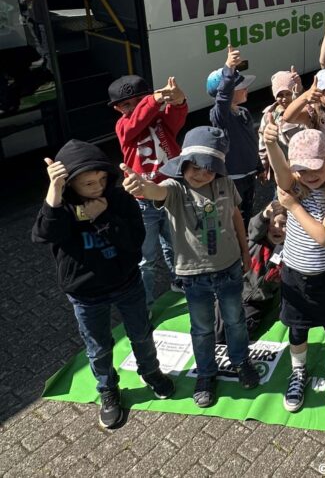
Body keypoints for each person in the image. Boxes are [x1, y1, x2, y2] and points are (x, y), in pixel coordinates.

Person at [32, 139, 175, 429]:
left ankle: (151, 373)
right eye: (87, 183)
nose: (97, 186)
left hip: (127, 283)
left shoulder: (119, 198)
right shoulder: (61, 206)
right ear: (71, 184)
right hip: (86, 294)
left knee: (141, 334)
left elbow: (135, 242)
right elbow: (44, 234)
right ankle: (108, 390)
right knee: (97, 347)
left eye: (101, 179)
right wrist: (54, 191)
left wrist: (104, 217)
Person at [121, 127, 260, 408]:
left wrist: (246, 253)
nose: (201, 174)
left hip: (230, 267)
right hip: (194, 276)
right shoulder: (174, 189)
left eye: (209, 169)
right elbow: (154, 191)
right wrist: (141, 186)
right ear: (182, 164)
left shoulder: (225, 184)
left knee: (235, 320)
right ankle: (206, 373)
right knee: (202, 328)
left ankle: (241, 361)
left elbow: (236, 217)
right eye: (194, 167)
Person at [261, 123, 325, 412]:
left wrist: (294, 207)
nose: (310, 176)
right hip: (295, 276)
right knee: (297, 330)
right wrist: (273, 145)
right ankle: (298, 371)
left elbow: (324, 236)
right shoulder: (294, 185)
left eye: (317, 168)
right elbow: (281, 173)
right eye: (302, 170)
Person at [108, 74, 187, 303]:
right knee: (146, 258)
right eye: (126, 105)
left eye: (139, 100)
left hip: (171, 192)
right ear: (117, 109)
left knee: (176, 246)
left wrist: (178, 101)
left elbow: (178, 116)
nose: (134, 107)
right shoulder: (123, 126)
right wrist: (152, 101)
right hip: (143, 201)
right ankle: (146, 302)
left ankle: (179, 281)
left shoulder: (161, 119)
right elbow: (135, 123)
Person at [214, 200, 287, 342]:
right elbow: (255, 225)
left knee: (238, 336)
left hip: (258, 301)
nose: (277, 228)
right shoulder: (257, 239)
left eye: (284, 225)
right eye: (272, 224)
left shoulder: (290, 250)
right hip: (234, 290)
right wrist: (266, 214)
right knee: (216, 334)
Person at [207, 45, 264, 223]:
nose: (246, 89)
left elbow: (251, 143)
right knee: (234, 217)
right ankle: (237, 245)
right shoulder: (220, 115)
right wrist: (229, 69)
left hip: (249, 175)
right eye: (240, 87)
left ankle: (246, 241)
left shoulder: (243, 112)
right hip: (233, 179)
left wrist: (259, 167)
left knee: (248, 211)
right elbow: (222, 98)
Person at [257, 68, 304, 186]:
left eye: (288, 94)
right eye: (280, 95)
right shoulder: (269, 115)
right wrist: (264, 166)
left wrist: (299, 89)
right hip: (280, 166)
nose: (284, 99)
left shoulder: (302, 111)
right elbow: (263, 143)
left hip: (302, 164)